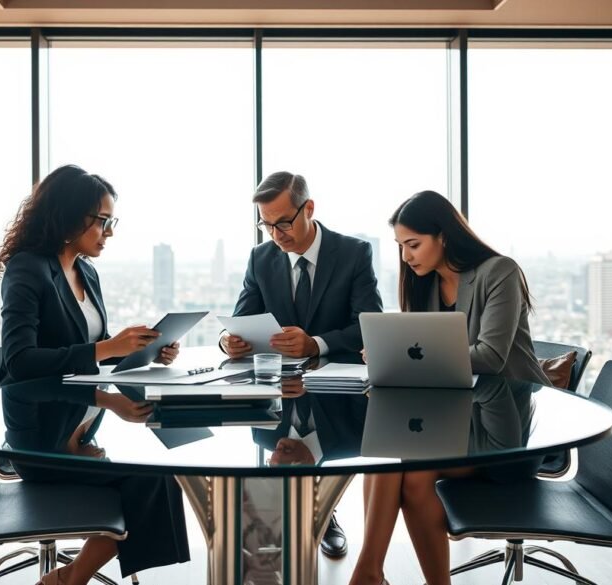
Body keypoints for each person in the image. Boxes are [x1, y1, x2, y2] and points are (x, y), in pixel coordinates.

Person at [0, 164, 190, 585]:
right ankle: (72, 578)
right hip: (42, 441)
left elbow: (86, 359)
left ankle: (72, 576)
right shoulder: (28, 269)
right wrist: (107, 356)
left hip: (80, 432)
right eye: (103, 220)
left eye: (110, 221)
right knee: (149, 481)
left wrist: (146, 352)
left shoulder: (87, 271)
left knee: (155, 477)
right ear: (69, 214)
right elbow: (20, 362)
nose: (109, 231)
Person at [349, 190, 550, 585]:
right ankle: (375, 572)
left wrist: (411, 354)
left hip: (508, 432)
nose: (406, 256)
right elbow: (424, 359)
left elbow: (490, 356)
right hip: (456, 423)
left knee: (404, 460)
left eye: (413, 244)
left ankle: (368, 573)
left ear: (443, 236)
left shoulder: (499, 272)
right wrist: (391, 354)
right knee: (397, 459)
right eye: (400, 246)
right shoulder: (423, 284)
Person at [222, 171, 383, 558]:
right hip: (278, 392)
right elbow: (242, 317)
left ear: (308, 208)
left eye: (282, 222)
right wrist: (230, 341)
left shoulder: (352, 253)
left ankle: (323, 511)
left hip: (340, 395)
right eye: (266, 225)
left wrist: (316, 343)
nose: (275, 234)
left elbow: (370, 325)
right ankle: (283, 518)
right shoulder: (261, 258)